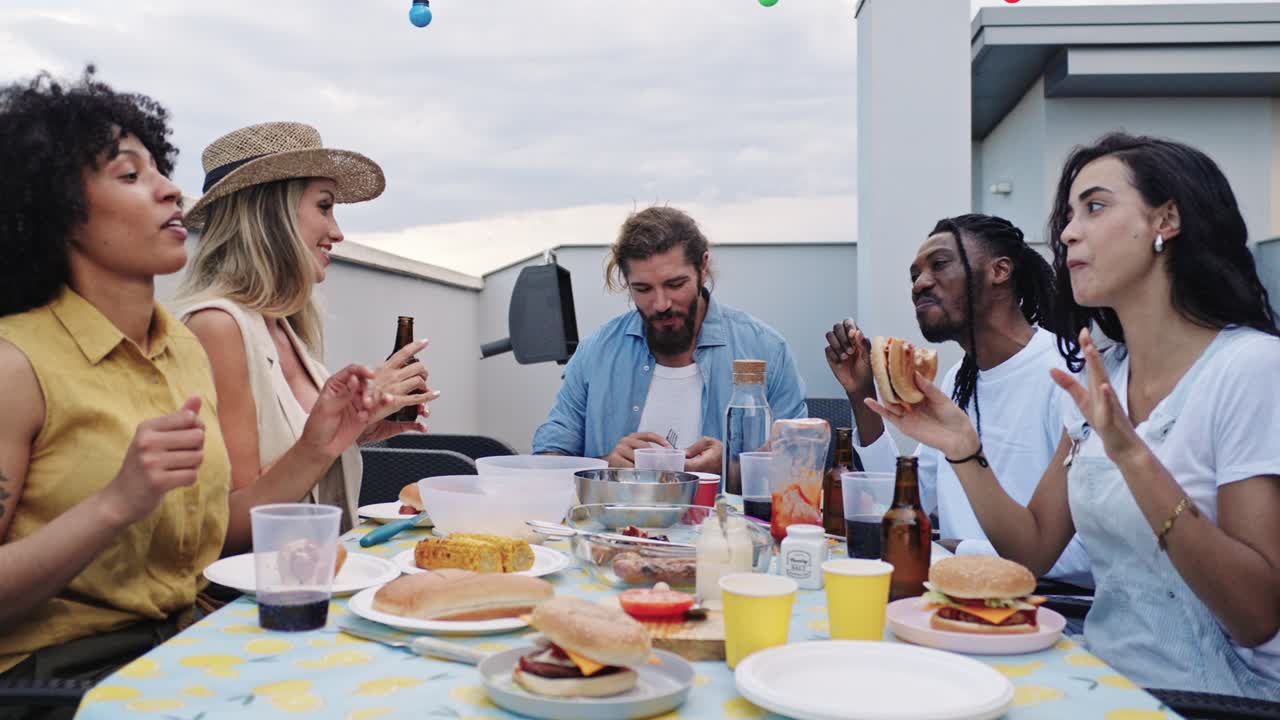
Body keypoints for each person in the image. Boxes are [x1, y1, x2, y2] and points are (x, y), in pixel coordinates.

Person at [0, 69, 387, 702]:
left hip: (186, 646)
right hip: (61, 680)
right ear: (59, 212)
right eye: (131, 176)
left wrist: (322, 442)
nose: (172, 192)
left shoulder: (177, 347)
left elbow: (221, 535)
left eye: (159, 170)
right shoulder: (15, 364)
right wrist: (113, 504)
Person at [867, 132, 1280, 697]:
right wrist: (962, 447)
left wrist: (1133, 456)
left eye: (1096, 206)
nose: (1066, 232)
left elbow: (1256, 614)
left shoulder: (1250, 368)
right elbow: (1033, 549)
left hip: (1213, 698)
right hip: (1101, 678)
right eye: (1068, 215)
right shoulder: (1099, 375)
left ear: (1167, 220)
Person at [173, 122, 436, 530]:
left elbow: (293, 459)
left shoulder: (284, 326)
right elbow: (227, 528)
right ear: (270, 212)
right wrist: (342, 429)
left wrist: (358, 426)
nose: (337, 232)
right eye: (324, 206)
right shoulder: (217, 328)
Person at [824, 214, 1092, 586]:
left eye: (939, 264)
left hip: (1048, 611)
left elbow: (1092, 552)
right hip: (951, 599)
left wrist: (960, 549)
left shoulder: (1066, 373)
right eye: (914, 275)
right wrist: (861, 392)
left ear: (999, 271)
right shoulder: (958, 380)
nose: (920, 284)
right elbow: (901, 498)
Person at [533, 206, 806, 472]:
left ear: (703, 267)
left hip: (729, 520)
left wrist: (728, 471)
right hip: (617, 518)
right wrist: (607, 466)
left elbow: (801, 467)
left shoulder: (765, 350)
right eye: (642, 289)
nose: (661, 304)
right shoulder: (596, 353)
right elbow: (548, 460)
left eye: (675, 285)